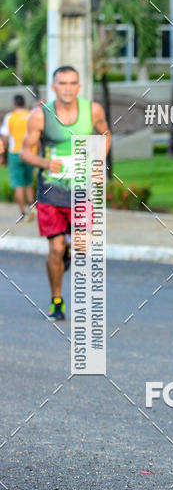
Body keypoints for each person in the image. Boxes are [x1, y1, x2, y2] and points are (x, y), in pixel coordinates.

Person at [20, 66, 110, 320]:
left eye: (72, 83)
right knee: (55, 249)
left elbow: (105, 135)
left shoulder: (93, 111)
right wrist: (46, 163)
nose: (67, 88)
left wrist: (98, 160)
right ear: (53, 87)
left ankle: (69, 253)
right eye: (62, 83)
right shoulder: (40, 116)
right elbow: (25, 153)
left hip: (82, 189)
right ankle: (57, 300)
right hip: (51, 190)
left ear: (79, 87)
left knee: (82, 245)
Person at [0, 94, 35, 221]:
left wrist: (2, 155)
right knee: (29, 183)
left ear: (14, 104)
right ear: (24, 103)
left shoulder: (10, 117)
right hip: (30, 152)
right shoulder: (31, 115)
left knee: (18, 184)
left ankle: (23, 213)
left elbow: (4, 138)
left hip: (15, 153)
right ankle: (32, 209)